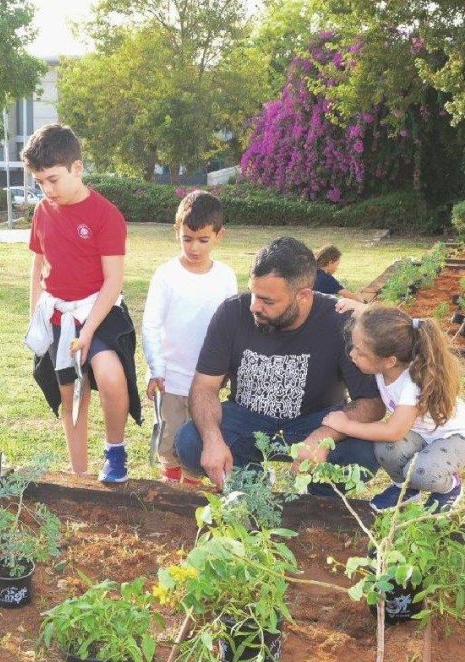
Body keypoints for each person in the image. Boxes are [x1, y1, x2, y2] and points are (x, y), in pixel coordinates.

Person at [174, 236, 385, 494]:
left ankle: (317, 505)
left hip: (315, 420)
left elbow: (371, 403)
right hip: (246, 419)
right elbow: (204, 386)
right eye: (253, 294)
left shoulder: (340, 322)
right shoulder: (232, 313)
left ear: (304, 296)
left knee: (361, 452)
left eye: (268, 301)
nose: (254, 306)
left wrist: (323, 437)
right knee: (190, 442)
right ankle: (252, 488)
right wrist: (212, 438)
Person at [23, 123, 141, 482]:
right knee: (70, 394)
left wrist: (88, 332)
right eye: (40, 181)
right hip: (59, 314)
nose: (47, 189)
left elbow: (113, 282)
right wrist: (36, 316)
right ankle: (79, 473)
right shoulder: (43, 210)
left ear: (77, 168)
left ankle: (115, 452)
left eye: (53, 179)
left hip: (99, 311)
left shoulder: (106, 216)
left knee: (108, 374)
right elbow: (38, 265)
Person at [323, 303, 465, 512]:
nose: (352, 354)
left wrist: (345, 425)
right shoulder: (389, 357)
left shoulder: (412, 385)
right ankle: (406, 488)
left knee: (422, 473)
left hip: (453, 435)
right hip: (420, 431)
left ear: (389, 361)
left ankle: (449, 488)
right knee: (384, 449)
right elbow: (393, 326)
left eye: (360, 352)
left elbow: (393, 431)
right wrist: (363, 310)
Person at [142, 190, 237, 483]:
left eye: (203, 240)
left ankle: (192, 489)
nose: (194, 247)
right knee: (169, 440)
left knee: (196, 439)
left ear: (219, 236)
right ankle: (171, 488)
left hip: (207, 382)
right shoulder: (166, 275)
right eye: (187, 238)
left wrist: (229, 370)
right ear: (177, 232)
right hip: (170, 377)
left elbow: (232, 328)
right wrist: (155, 368)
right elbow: (151, 324)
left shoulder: (225, 277)